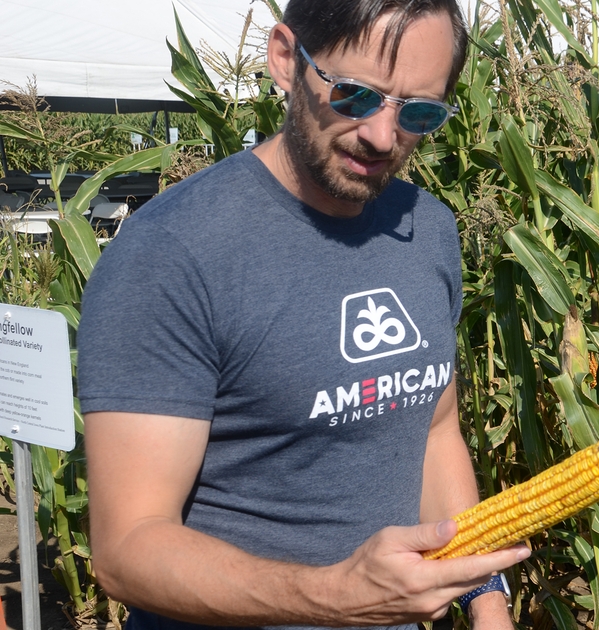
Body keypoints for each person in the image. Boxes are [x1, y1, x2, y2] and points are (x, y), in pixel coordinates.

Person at [76, 1, 527, 628]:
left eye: (419, 111)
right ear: (286, 60)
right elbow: (127, 549)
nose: (381, 136)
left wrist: (486, 600)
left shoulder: (426, 228)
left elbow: (432, 431)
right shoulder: (173, 254)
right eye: (356, 96)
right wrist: (337, 596)